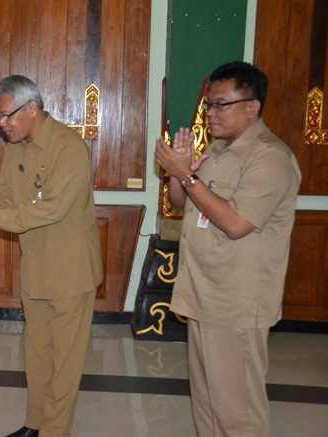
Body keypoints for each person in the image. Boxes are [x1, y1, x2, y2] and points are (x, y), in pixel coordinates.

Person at [155, 62, 301, 436]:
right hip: (204, 292)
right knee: (206, 403)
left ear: (252, 107)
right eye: (209, 105)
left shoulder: (270, 157)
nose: (211, 114)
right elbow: (184, 202)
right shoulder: (220, 150)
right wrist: (179, 171)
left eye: (222, 105)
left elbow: (236, 224)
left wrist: (187, 175)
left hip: (236, 301)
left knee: (237, 411)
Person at [0, 75, 103, 437]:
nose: (2, 125)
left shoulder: (69, 148)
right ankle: (34, 425)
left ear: (32, 108)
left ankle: (54, 432)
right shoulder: (16, 148)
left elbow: (51, 209)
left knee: (65, 363)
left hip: (70, 271)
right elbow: (5, 198)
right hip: (35, 268)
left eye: (7, 116)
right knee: (37, 357)